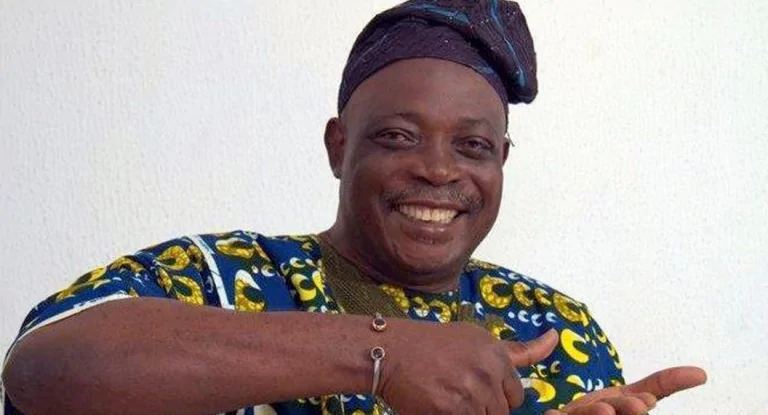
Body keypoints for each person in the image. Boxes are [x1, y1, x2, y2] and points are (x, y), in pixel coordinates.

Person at [1, 1, 706, 414]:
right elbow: (42, 367)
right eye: (398, 137)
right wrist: (381, 352)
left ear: (501, 162)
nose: (438, 170)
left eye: (473, 146)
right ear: (339, 147)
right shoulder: (226, 275)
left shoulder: (558, 329)